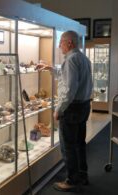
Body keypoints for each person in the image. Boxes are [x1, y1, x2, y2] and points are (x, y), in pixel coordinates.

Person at [36, 30, 92, 192]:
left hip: (72, 108)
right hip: (83, 106)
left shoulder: (71, 60)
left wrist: (59, 110)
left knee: (68, 146)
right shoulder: (83, 58)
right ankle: (82, 175)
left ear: (69, 43)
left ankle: (72, 180)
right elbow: (68, 77)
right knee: (79, 143)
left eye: (61, 42)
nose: (59, 45)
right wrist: (50, 68)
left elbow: (69, 89)